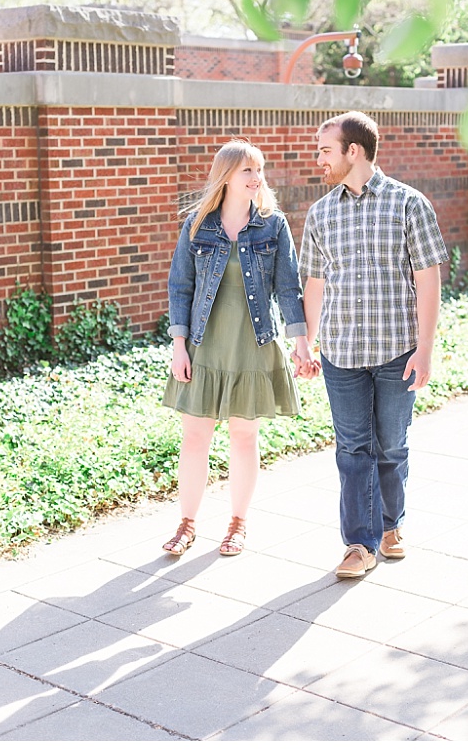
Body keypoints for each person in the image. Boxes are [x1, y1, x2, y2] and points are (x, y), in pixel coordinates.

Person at [298, 111, 448, 579]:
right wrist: (306, 340)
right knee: (352, 450)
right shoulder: (320, 212)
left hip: (397, 351)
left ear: (353, 151)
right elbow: (315, 283)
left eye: (325, 149)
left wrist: (425, 348)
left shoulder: (409, 204)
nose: (318, 158)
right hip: (341, 353)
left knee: (392, 447)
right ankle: (359, 544)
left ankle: (390, 525)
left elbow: (428, 281)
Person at [162, 140, 314, 558]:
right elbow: (180, 287)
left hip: (253, 344)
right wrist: (179, 345)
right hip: (203, 344)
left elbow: (288, 288)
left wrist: (302, 343)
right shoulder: (197, 225)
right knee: (195, 437)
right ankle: (188, 523)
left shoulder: (273, 225)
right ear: (226, 175)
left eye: (259, 169)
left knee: (244, 437)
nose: (256, 177)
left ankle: (237, 524)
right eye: (247, 170)